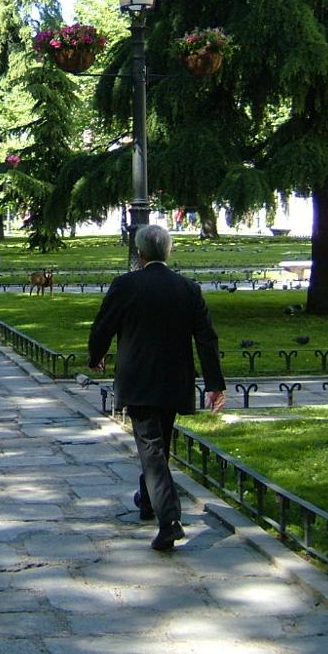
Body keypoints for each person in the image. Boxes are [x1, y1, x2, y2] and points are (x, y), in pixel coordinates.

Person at [87, 224, 226, 552]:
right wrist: (214, 384)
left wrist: (96, 355)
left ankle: (170, 521)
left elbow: (104, 325)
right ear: (168, 252)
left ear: (140, 253)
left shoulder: (125, 285)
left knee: (151, 448)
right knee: (158, 445)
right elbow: (206, 338)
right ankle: (149, 502)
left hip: (138, 380)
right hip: (175, 381)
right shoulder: (188, 289)